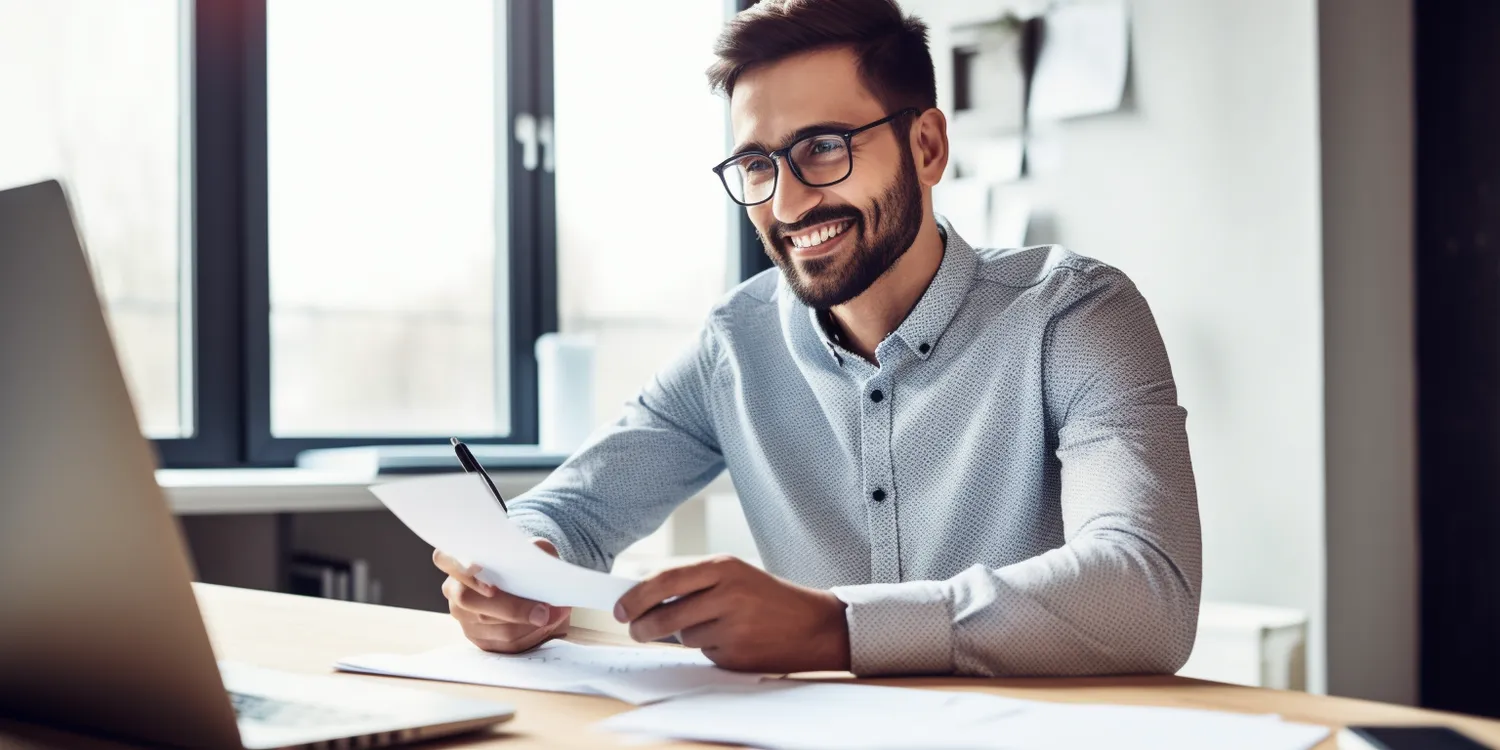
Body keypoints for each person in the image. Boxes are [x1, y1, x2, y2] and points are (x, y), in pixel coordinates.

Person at [433, 0, 1200, 677]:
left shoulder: (1074, 312)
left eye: (824, 148)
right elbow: (569, 514)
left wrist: (837, 628)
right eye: (757, 164)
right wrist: (515, 576)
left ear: (927, 147)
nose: (789, 200)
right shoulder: (735, 343)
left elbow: (1146, 590)